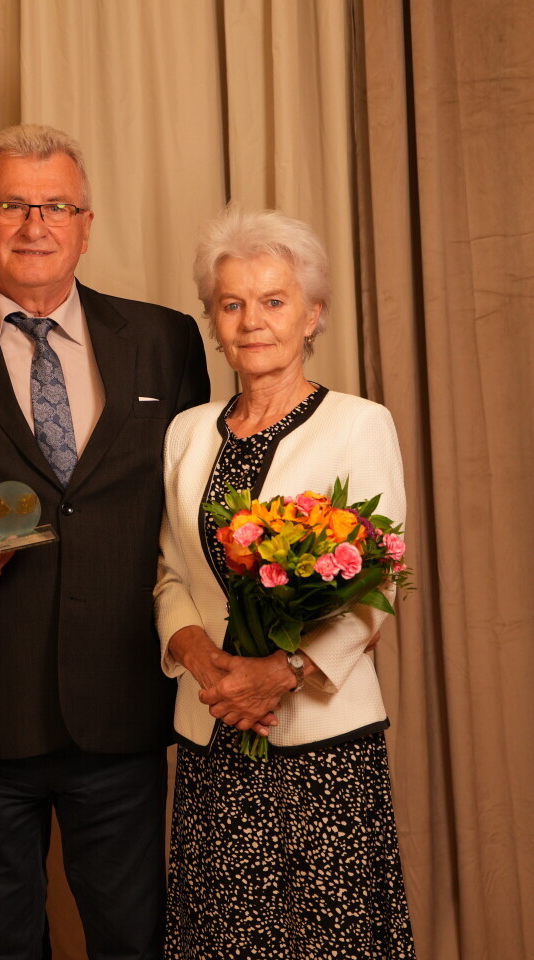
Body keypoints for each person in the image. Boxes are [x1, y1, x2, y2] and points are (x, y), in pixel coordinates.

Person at [0, 125, 210, 960]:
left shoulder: (165, 341)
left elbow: (195, 518)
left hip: (122, 707)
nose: (34, 225)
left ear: (86, 225)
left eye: (55, 206)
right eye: (13, 205)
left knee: (135, 941)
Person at [154, 205, 416, 958]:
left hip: (322, 746)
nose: (252, 322)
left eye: (273, 301)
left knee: (329, 938)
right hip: (211, 732)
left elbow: (376, 584)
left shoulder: (360, 424)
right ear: (213, 322)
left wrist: (280, 673)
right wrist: (204, 661)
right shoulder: (186, 432)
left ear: (313, 315)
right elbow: (170, 572)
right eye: (231, 304)